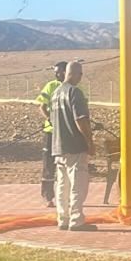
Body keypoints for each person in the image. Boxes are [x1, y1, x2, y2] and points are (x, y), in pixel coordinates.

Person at [51, 61, 96, 232]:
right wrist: (89, 141)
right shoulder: (74, 92)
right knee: (78, 184)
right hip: (75, 147)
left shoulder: (55, 93)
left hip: (58, 146)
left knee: (62, 185)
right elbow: (80, 120)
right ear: (77, 74)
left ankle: (63, 219)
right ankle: (76, 220)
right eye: (80, 74)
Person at [35, 61, 67, 205]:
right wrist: (50, 118)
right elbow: (42, 106)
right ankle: (48, 196)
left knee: (65, 164)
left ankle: (65, 195)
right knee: (49, 164)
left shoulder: (75, 88)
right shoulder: (51, 86)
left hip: (67, 133)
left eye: (60, 72)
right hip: (51, 132)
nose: (57, 74)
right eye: (56, 72)